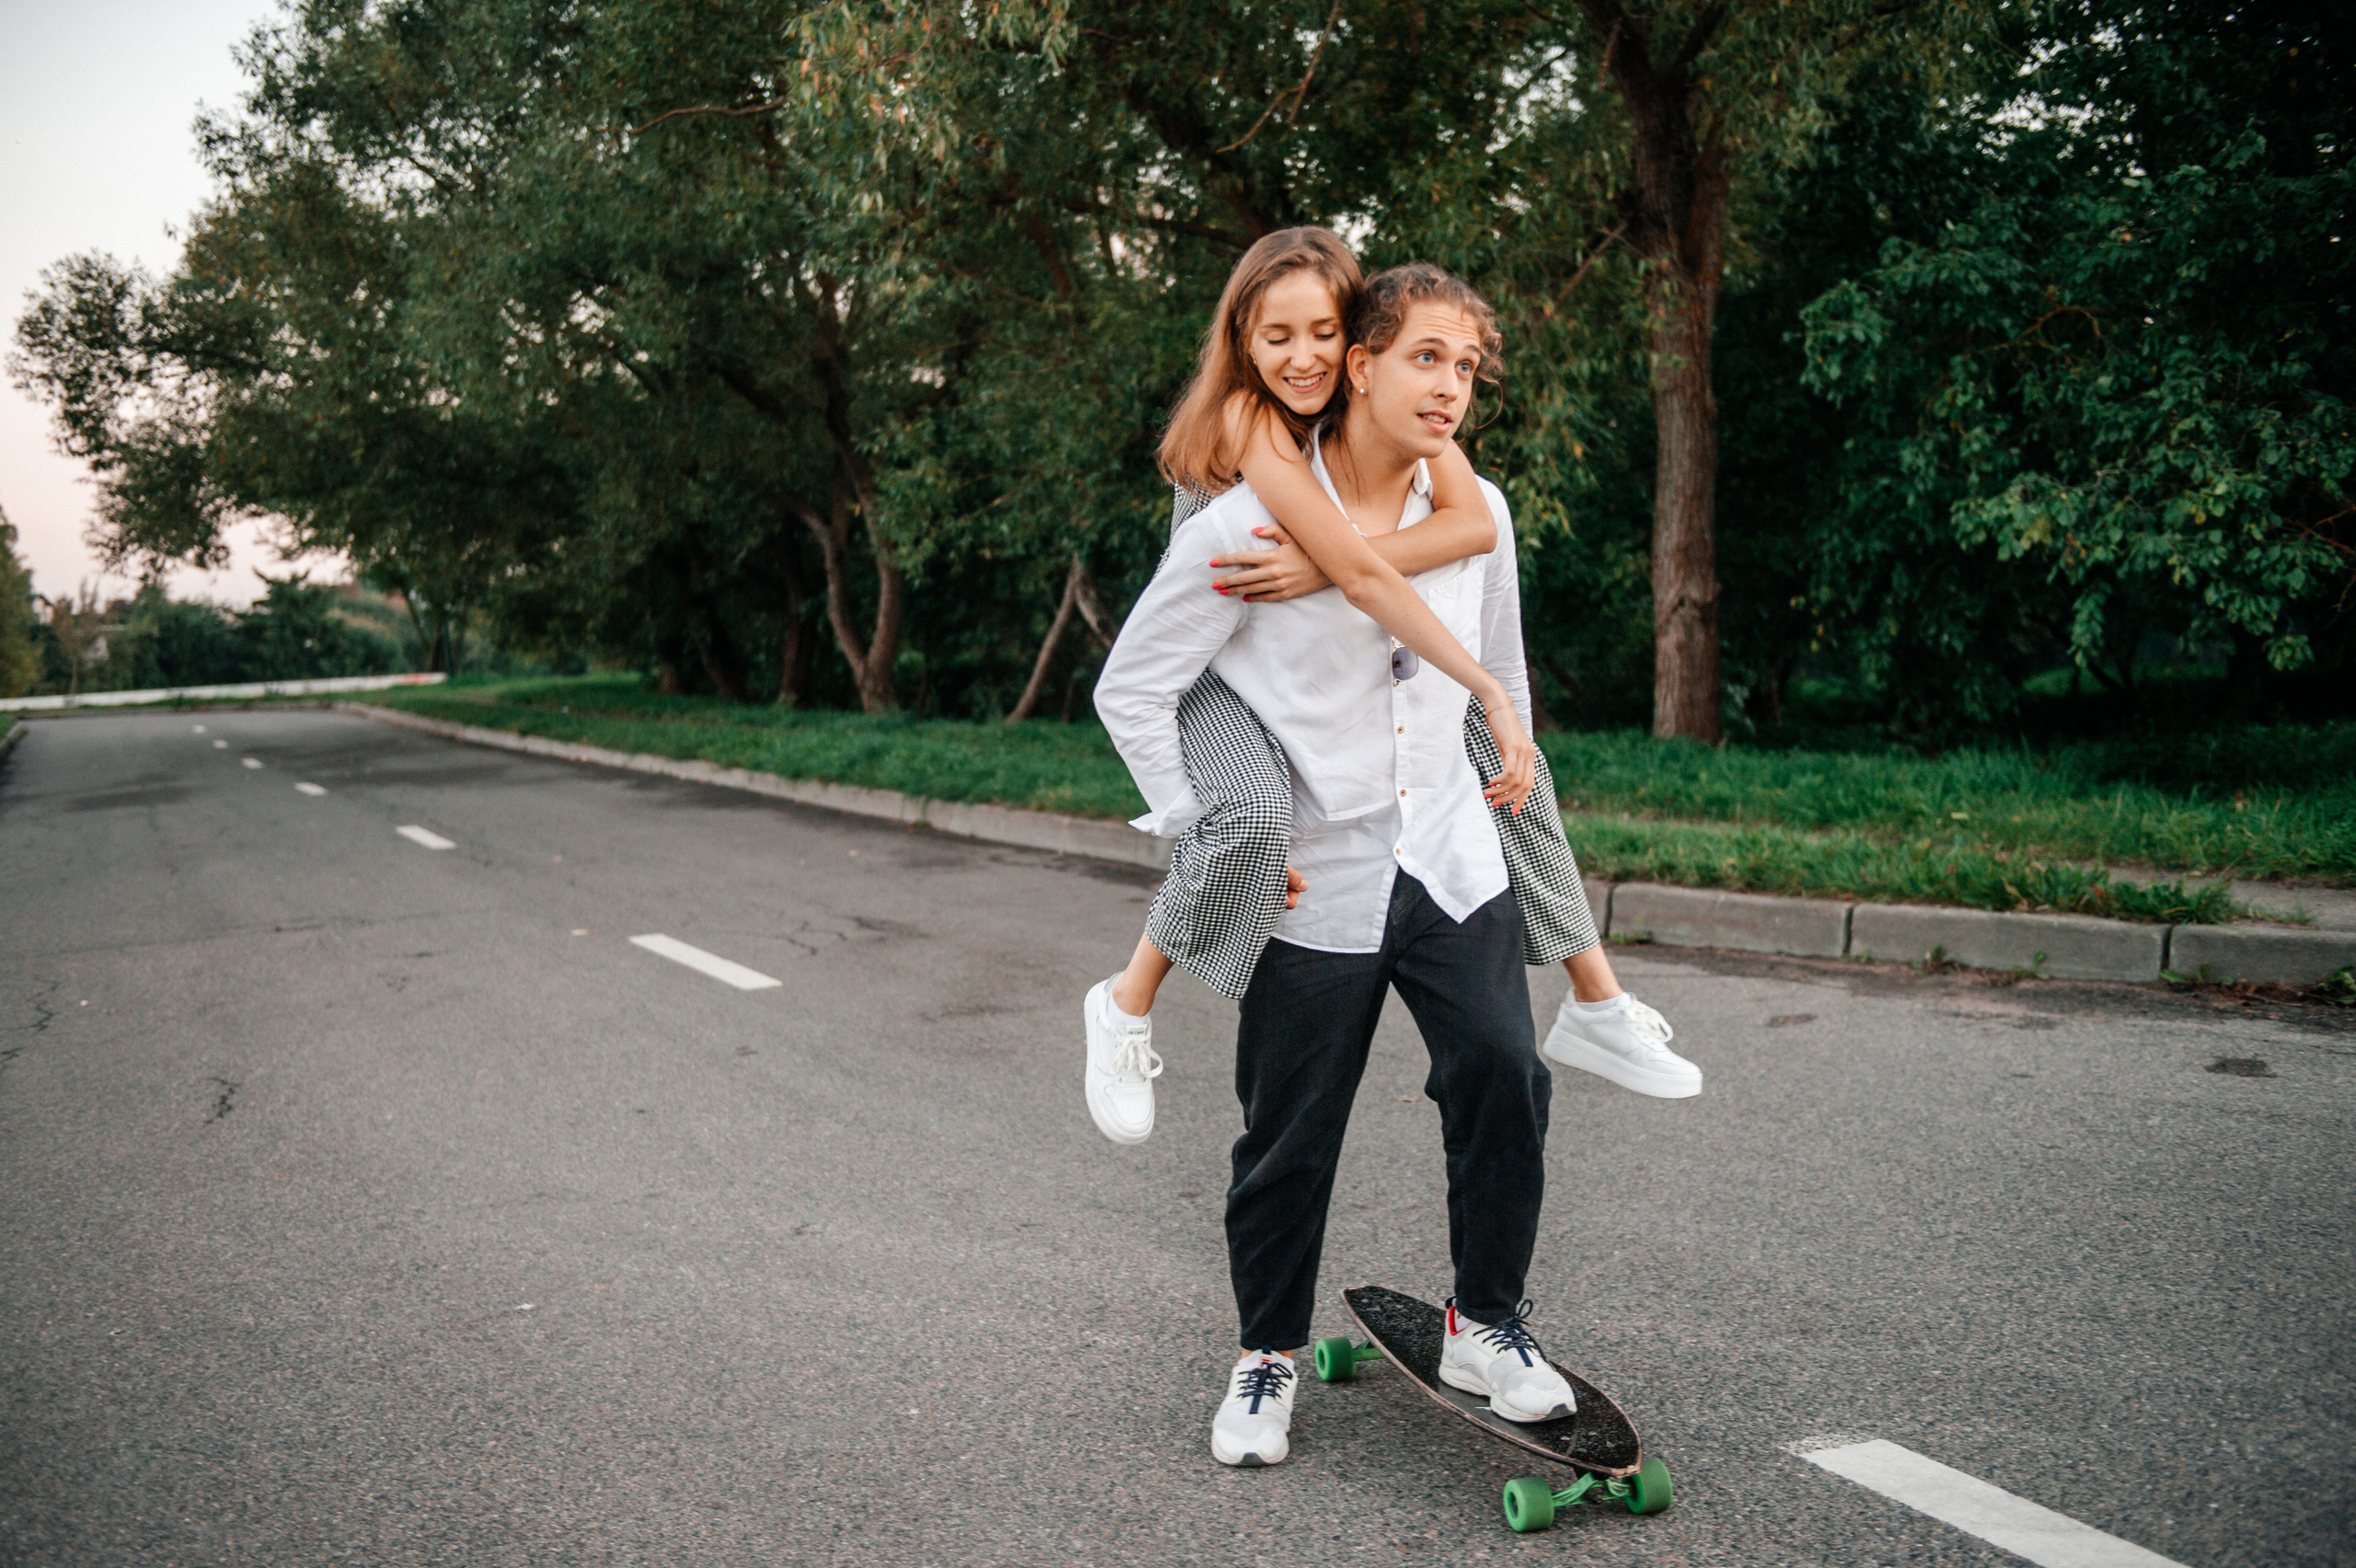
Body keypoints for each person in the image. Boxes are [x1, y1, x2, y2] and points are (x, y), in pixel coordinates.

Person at [1097, 264, 1592, 1468]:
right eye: (1285, 336)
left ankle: (1489, 1321)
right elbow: (1171, 678)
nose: (1309, 354)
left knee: (1500, 1072)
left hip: (1441, 850)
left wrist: (1510, 733)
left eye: (1465, 367)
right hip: (1312, 854)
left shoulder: (1458, 490)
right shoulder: (1246, 476)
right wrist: (1215, 816)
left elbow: (1486, 626)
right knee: (1290, 1125)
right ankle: (1264, 1353)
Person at [1080, 230, 1697, 1157]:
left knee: (1506, 759)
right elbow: (1362, 580)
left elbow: (1465, 529)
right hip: (1211, 670)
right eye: (1275, 335)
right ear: (1240, 340)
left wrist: (1320, 576)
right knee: (1244, 816)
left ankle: (1597, 996)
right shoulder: (1253, 424)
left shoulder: (1394, 414)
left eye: (1323, 332)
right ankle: (1125, 1006)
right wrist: (1323, 577)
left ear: (1356, 346)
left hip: (1297, 598)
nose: (1303, 358)